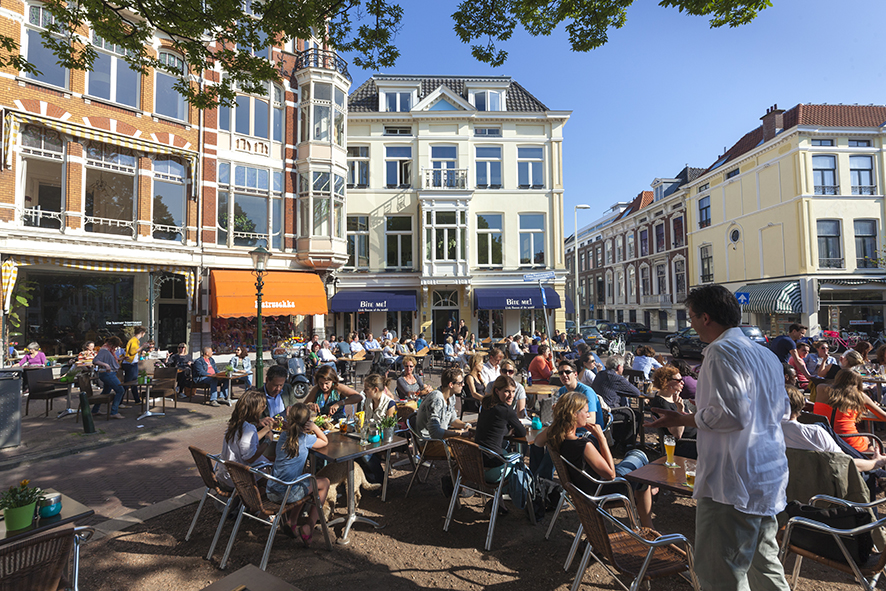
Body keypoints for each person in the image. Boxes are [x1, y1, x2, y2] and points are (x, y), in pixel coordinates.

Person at [647, 284, 790, 591]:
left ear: (706, 318)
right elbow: (782, 412)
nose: (691, 324)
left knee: (719, 572)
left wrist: (688, 417)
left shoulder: (719, 352)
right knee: (765, 567)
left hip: (732, 482)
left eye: (691, 317)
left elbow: (733, 415)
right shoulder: (765, 355)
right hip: (767, 477)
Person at [535, 391, 654, 528]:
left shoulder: (555, 438)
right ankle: (648, 523)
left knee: (638, 463)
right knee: (639, 456)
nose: (588, 415)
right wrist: (601, 438)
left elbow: (538, 442)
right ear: (574, 414)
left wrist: (557, 423)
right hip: (603, 492)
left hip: (583, 490)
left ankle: (649, 491)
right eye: (586, 412)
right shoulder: (583, 445)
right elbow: (611, 475)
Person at [782, 384, 886, 495]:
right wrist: (876, 463)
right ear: (801, 406)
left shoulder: (766, 434)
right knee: (869, 475)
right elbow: (847, 464)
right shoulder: (815, 433)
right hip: (826, 492)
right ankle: (871, 506)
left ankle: (878, 473)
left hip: (786, 491)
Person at [267, 402, 330, 543]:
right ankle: (309, 527)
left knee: (304, 478)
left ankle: (292, 521)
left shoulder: (283, 437)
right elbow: (324, 441)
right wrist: (315, 428)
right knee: (324, 482)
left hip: (271, 489)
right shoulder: (306, 439)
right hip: (287, 493)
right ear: (307, 422)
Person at [813, 369, 886, 453]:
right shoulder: (860, 396)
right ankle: (873, 462)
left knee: (865, 438)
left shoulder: (821, 388)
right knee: (870, 442)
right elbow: (883, 416)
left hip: (822, 438)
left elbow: (835, 407)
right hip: (847, 441)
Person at [216, 389, 274, 490]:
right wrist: (267, 442)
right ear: (255, 410)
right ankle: (260, 499)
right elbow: (250, 458)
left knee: (270, 461)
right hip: (238, 479)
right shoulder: (248, 428)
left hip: (226, 474)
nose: (264, 409)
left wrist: (266, 428)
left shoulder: (236, 423)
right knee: (275, 468)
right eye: (263, 406)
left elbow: (247, 442)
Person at [474, 375, 526, 483]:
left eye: (513, 391)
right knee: (519, 459)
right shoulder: (506, 410)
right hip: (493, 471)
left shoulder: (486, 404)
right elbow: (522, 432)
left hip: (477, 467)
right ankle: (518, 497)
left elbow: (493, 427)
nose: (511, 395)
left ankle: (499, 497)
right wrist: (511, 430)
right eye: (507, 391)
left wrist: (507, 431)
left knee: (504, 449)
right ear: (497, 391)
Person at [648, 366, 697, 459]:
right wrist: (680, 410)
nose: (682, 382)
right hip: (684, 445)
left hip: (696, 438)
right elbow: (677, 434)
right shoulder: (660, 403)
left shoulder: (676, 398)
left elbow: (692, 419)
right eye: (679, 380)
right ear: (666, 382)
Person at [358, 373, 398, 483]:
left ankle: (381, 480)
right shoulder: (368, 400)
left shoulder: (390, 404)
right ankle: (367, 477)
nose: (364, 392)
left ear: (375, 389)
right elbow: (366, 419)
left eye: (366, 389)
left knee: (366, 455)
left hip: (384, 439)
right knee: (353, 451)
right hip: (370, 436)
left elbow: (389, 427)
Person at [416, 366, 471, 441]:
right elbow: (435, 433)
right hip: (428, 442)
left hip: (441, 439)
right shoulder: (436, 399)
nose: (463, 384)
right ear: (451, 385)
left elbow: (453, 419)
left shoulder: (451, 396)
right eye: (460, 383)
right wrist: (459, 433)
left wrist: (466, 425)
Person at [555, 359, 603, 429]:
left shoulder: (586, 392)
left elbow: (592, 420)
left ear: (575, 374)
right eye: (561, 373)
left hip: (588, 432)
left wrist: (567, 420)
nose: (564, 375)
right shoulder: (562, 391)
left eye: (567, 372)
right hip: (570, 430)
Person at [91, 336, 126, 419]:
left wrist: (121, 358)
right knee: (120, 390)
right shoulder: (104, 350)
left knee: (106, 391)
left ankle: (95, 410)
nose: (116, 348)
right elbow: (95, 361)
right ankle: (114, 412)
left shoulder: (108, 350)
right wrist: (106, 365)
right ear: (112, 344)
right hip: (108, 374)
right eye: (115, 346)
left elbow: (110, 359)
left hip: (109, 373)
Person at [122, 327, 149, 405]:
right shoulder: (134, 340)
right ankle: (119, 401)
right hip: (131, 363)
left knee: (133, 382)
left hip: (131, 363)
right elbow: (132, 352)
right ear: (142, 332)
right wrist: (142, 347)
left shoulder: (133, 340)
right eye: (144, 333)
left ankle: (137, 400)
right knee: (128, 383)